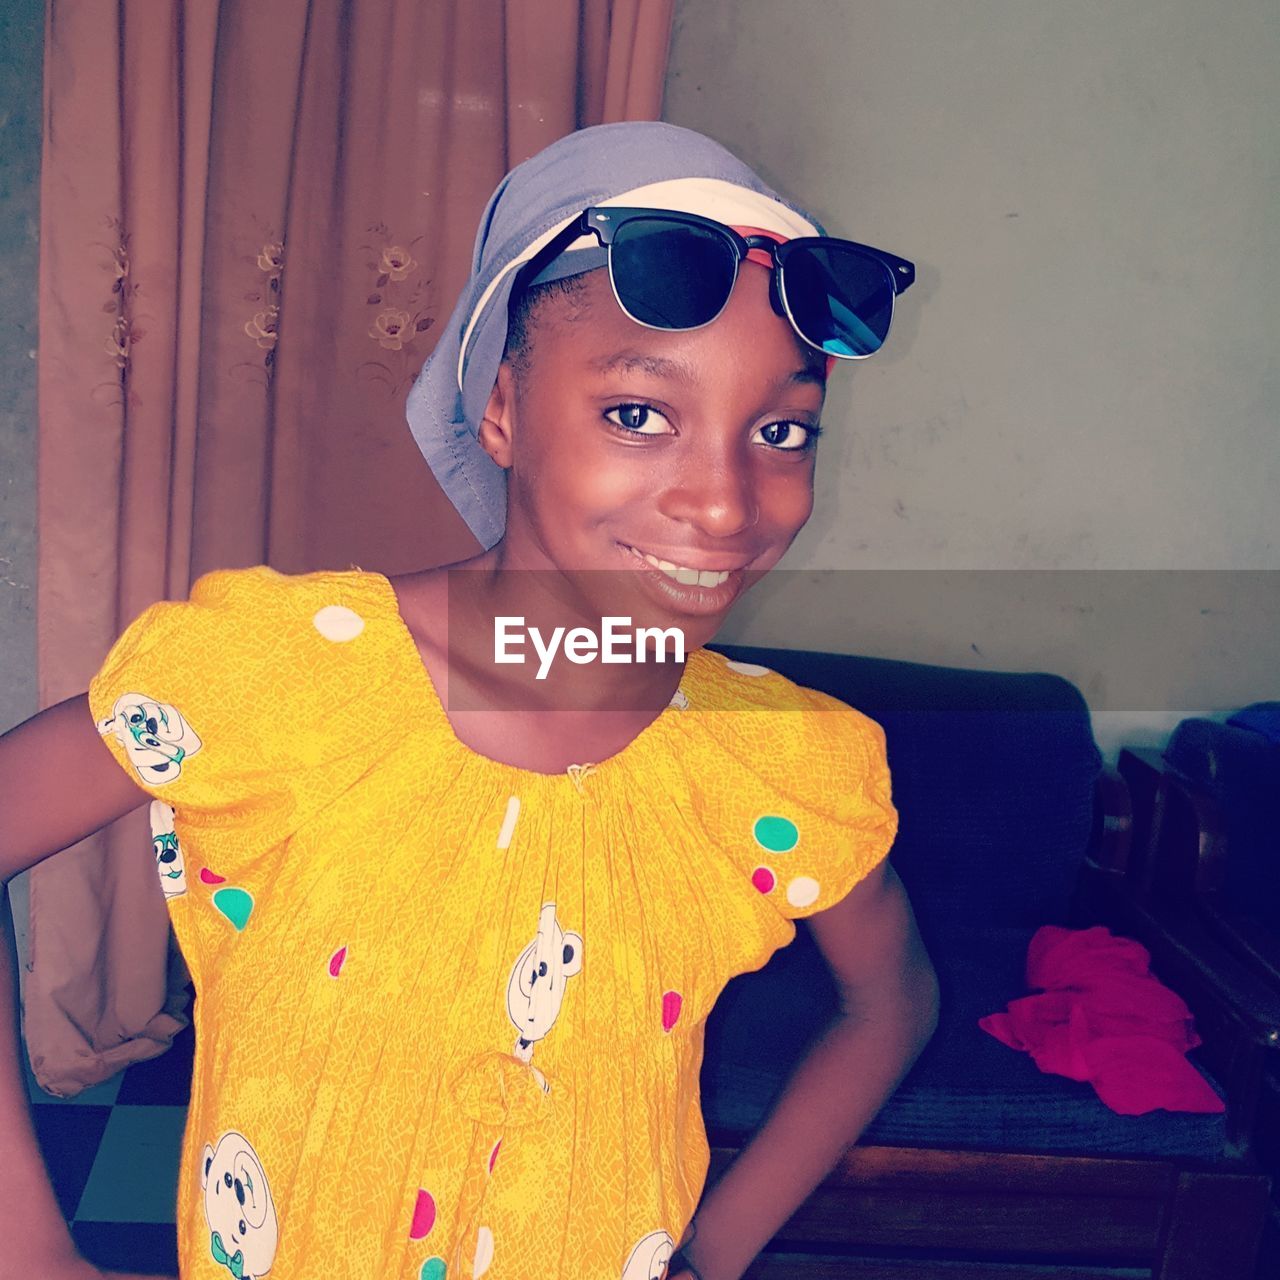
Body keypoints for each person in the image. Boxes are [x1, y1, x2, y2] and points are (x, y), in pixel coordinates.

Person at [0, 122, 939, 1280]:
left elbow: (889, 1002)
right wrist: (29, 1249)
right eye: (638, 413)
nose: (721, 502)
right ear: (499, 409)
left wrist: (718, 1247)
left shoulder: (781, 765)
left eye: (779, 430)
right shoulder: (280, 674)